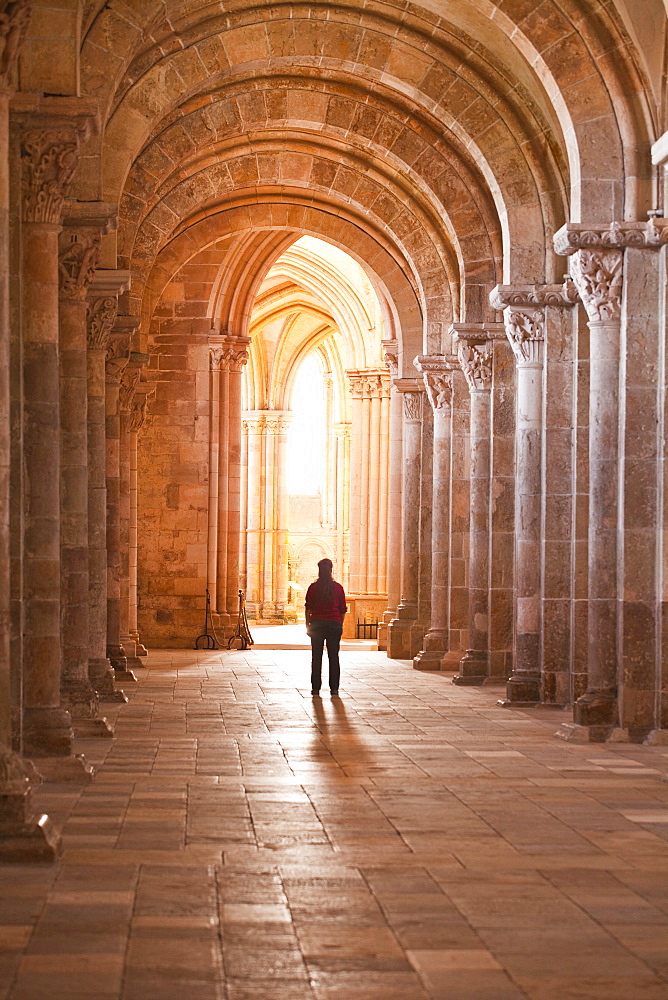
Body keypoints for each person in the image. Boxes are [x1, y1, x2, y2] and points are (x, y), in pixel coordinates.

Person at [305, 558, 347, 697]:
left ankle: (315, 688)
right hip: (333, 624)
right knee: (333, 657)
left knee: (316, 657)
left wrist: (308, 624)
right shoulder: (338, 588)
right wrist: (339, 624)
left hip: (317, 624)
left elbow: (308, 608)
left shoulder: (313, 587)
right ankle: (334, 688)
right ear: (331, 570)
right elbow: (342, 609)